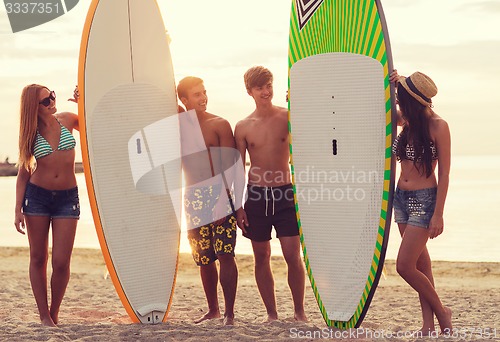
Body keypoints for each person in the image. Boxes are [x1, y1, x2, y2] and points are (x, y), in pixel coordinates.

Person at [234, 66, 307, 322]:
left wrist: (300, 100)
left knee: (292, 255)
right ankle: (272, 314)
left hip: (285, 194)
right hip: (256, 196)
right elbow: (238, 171)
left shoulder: (288, 116)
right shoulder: (243, 127)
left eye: (269, 85)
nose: (266, 91)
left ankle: (299, 311)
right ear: (249, 92)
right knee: (261, 257)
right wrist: (238, 206)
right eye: (260, 88)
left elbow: (313, 131)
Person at [391, 71, 452, 335]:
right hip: (401, 199)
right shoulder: (406, 122)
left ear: (412, 102)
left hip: (424, 200)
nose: (397, 103)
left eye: (400, 99)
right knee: (420, 265)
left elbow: (446, 173)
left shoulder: (438, 126)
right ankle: (428, 325)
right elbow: (375, 102)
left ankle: (442, 312)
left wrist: (438, 214)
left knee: (404, 266)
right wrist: (395, 79)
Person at [14, 84, 80, 327]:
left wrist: (81, 102)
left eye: (51, 96)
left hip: (67, 198)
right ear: (34, 107)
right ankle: (44, 315)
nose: (52, 101)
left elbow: (94, 124)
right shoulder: (30, 134)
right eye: (45, 101)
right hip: (37, 197)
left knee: (61, 261)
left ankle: (54, 311)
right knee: (38, 258)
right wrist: (17, 209)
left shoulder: (67, 120)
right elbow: (23, 174)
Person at [177, 76, 238, 325]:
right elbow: (161, 88)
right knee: (204, 258)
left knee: (225, 254)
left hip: (218, 194)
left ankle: (229, 313)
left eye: (204, 92)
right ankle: (212, 309)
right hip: (193, 198)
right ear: (183, 100)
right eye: (196, 94)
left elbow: (232, 166)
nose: (203, 98)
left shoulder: (219, 124)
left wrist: (223, 199)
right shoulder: (179, 124)